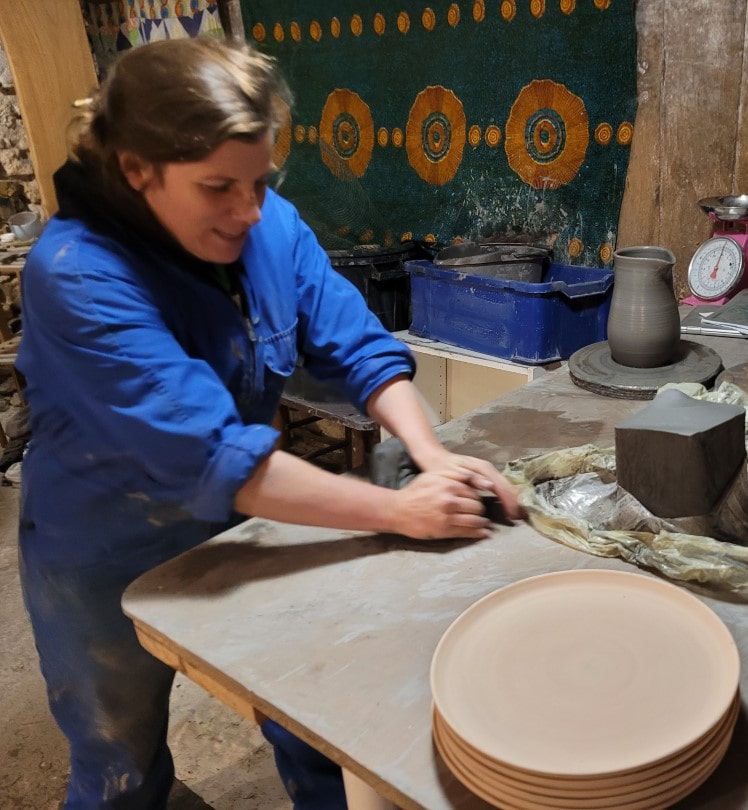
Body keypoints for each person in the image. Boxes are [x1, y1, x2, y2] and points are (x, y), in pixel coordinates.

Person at [16, 36, 522, 810]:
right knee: (121, 759)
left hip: (241, 516)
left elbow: (356, 345)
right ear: (137, 170)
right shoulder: (77, 276)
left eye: (259, 180)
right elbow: (221, 459)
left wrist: (430, 453)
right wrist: (400, 512)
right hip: (104, 539)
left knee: (315, 708)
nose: (249, 210)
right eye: (219, 187)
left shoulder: (267, 226)